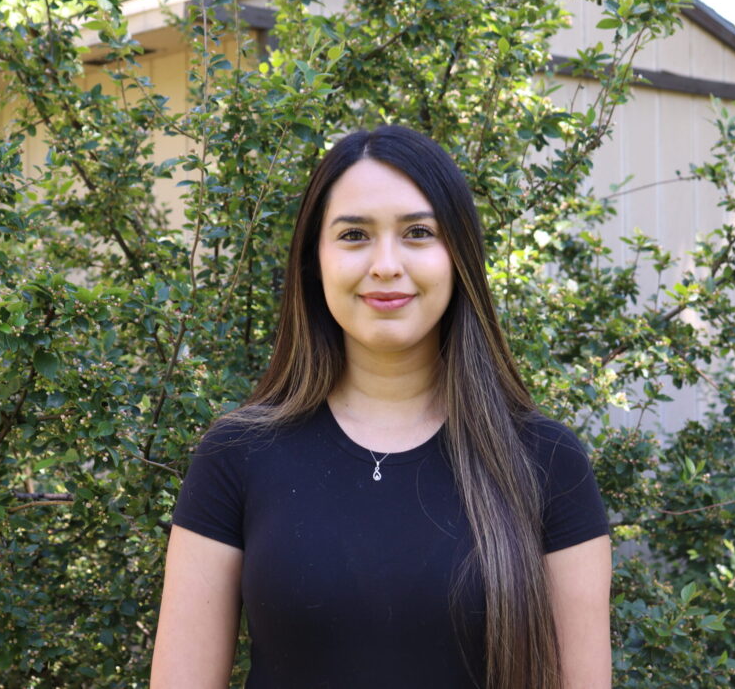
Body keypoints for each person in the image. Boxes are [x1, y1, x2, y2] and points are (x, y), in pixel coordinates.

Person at [151, 125, 612, 688]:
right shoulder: (237, 456)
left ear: (459, 256)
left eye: (418, 232)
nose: (386, 264)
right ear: (314, 260)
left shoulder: (547, 461)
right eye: (354, 235)